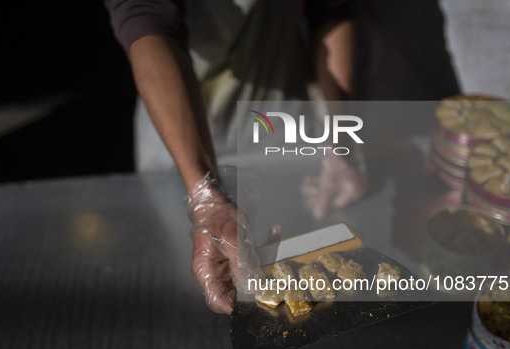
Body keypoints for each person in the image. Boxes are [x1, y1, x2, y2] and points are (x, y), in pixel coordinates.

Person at [105, 0, 364, 314]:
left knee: (295, 301)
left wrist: (340, 141)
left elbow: (330, 11)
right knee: (192, 292)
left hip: (277, 126)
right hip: (177, 136)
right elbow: (145, 19)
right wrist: (205, 198)